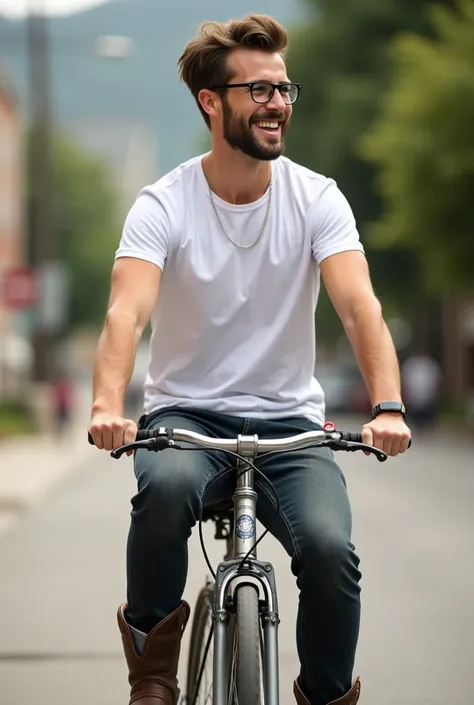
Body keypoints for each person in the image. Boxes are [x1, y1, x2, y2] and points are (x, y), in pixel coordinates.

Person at [88, 14, 411, 705]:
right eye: (259, 90)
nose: (277, 103)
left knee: (330, 552)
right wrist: (105, 406)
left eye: (284, 89)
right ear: (212, 101)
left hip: (290, 423)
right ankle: (151, 671)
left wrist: (387, 404)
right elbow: (127, 312)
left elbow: (359, 307)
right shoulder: (162, 203)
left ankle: (325, 695)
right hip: (187, 416)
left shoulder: (317, 198)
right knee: (165, 492)